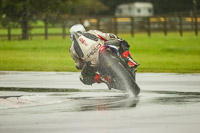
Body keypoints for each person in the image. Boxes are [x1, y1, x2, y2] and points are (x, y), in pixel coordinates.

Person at [69, 24, 139, 86]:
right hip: (104, 49)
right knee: (122, 42)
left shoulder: (72, 49)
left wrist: (85, 62)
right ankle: (129, 60)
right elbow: (109, 36)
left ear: (71, 35)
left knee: (83, 78)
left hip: (94, 63)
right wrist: (115, 39)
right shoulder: (91, 32)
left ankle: (102, 78)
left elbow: (78, 65)